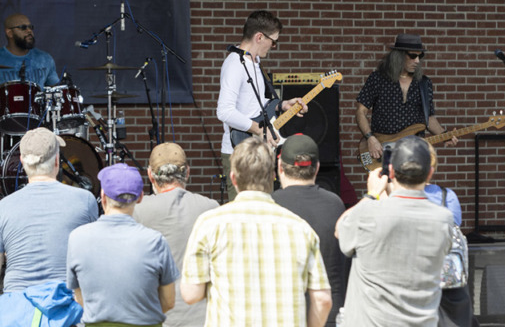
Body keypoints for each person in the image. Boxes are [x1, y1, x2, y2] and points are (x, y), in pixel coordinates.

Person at [181, 136, 331, 327]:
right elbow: (322, 300)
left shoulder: (210, 223)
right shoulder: (300, 228)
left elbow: (190, 294)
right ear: (273, 175)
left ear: (234, 178)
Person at [335, 135, 454, 327]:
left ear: (390, 171)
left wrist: (372, 194)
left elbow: (341, 229)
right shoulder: (444, 219)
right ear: (430, 173)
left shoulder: (369, 214)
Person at [0, 127, 99, 290]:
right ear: (57, 161)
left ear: (22, 161)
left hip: (20, 306)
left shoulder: (3, 208)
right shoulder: (85, 200)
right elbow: (93, 258)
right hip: (65, 306)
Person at [67, 163, 179, 327]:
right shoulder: (155, 241)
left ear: (103, 196)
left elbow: (79, 298)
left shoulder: (77, 238)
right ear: (140, 197)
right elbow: (168, 302)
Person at [216, 10, 306, 200]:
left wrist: (282, 105)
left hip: (258, 148)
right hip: (238, 150)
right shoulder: (235, 65)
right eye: (273, 41)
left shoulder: (254, 62)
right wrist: (258, 129)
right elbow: (224, 111)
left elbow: (254, 104)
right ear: (259, 37)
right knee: (241, 212)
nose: (273, 46)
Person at [133, 143, 219, 327]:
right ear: (187, 172)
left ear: (150, 175)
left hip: (156, 317)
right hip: (203, 318)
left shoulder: (138, 211)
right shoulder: (211, 208)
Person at [272, 134, 346, 327]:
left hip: (283, 314)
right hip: (328, 314)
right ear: (317, 167)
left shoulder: (270, 205)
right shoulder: (335, 204)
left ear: (280, 167)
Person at [355, 33, 457, 162]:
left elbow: (428, 118)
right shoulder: (378, 79)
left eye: (420, 56)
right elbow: (360, 112)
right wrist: (370, 138)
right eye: (413, 56)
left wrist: (444, 135)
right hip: (383, 153)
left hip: (414, 154)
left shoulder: (424, 83)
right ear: (399, 56)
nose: (417, 61)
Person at [423, 145, 475, 327]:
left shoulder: (392, 197)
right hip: (447, 281)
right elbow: (455, 227)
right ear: (432, 168)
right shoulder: (447, 195)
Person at [0, 13, 59, 91]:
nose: (29, 31)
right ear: (10, 33)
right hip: (6, 103)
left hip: (37, 103)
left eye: (30, 27)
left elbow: (56, 91)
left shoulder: (45, 59)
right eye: (23, 28)